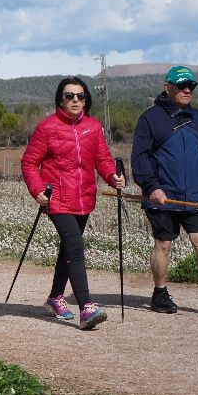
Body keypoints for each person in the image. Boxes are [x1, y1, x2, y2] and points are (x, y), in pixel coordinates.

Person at [131, 66, 198, 316]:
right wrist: (151, 187)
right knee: (164, 243)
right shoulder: (150, 118)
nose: (188, 90)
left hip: (196, 196)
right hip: (162, 196)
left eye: (191, 86)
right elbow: (140, 158)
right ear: (167, 87)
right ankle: (160, 294)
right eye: (182, 86)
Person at [21, 77, 125, 330]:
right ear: (60, 100)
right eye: (69, 96)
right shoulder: (47, 128)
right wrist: (37, 189)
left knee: (68, 249)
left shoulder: (94, 127)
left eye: (80, 95)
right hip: (57, 199)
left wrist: (114, 177)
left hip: (84, 198)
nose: (75, 100)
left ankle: (56, 297)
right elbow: (29, 163)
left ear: (86, 99)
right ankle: (86, 308)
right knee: (76, 247)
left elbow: (102, 159)